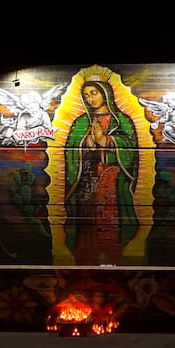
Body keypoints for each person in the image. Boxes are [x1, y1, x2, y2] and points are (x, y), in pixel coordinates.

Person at [63, 80, 139, 264]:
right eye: (86, 95)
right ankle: (85, 258)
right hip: (87, 181)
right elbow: (70, 150)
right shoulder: (81, 122)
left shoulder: (122, 120)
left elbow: (132, 149)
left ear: (105, 93)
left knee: (110, 220)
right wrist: (84, 145)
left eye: (94, 93)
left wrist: (106, 140)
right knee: (87, 222)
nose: (90, 98)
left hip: (112, 182)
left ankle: (111, 259)